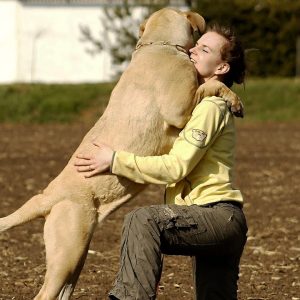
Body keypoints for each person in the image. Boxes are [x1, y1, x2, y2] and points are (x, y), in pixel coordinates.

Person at [74, 24, 248, 300]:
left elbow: (175, 167)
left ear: (222, 68)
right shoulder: (197, 105)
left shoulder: (211, 107)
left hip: (215, 216)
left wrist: (115, 160)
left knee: (142, 221)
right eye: (196, 44)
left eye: (204, 49)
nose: (192, 49)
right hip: (219, 222)